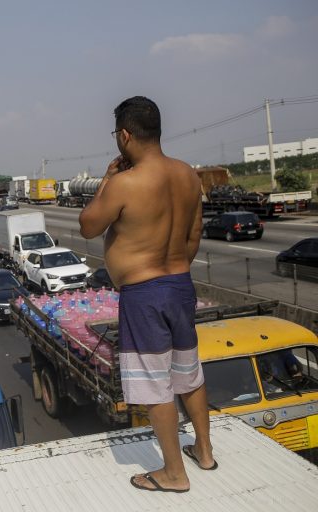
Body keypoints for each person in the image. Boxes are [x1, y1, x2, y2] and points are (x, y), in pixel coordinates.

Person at [79, 96, 215, 493]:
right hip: (180, 285)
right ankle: (203, 450)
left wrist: (106, 180)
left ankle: (173, 473)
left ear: (124, 135)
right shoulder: (188, 175)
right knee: (188, 372)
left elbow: (89, 226)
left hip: (144, 293)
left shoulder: (124, 183)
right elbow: (193, 235)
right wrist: (171, 269)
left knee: (155, 384)